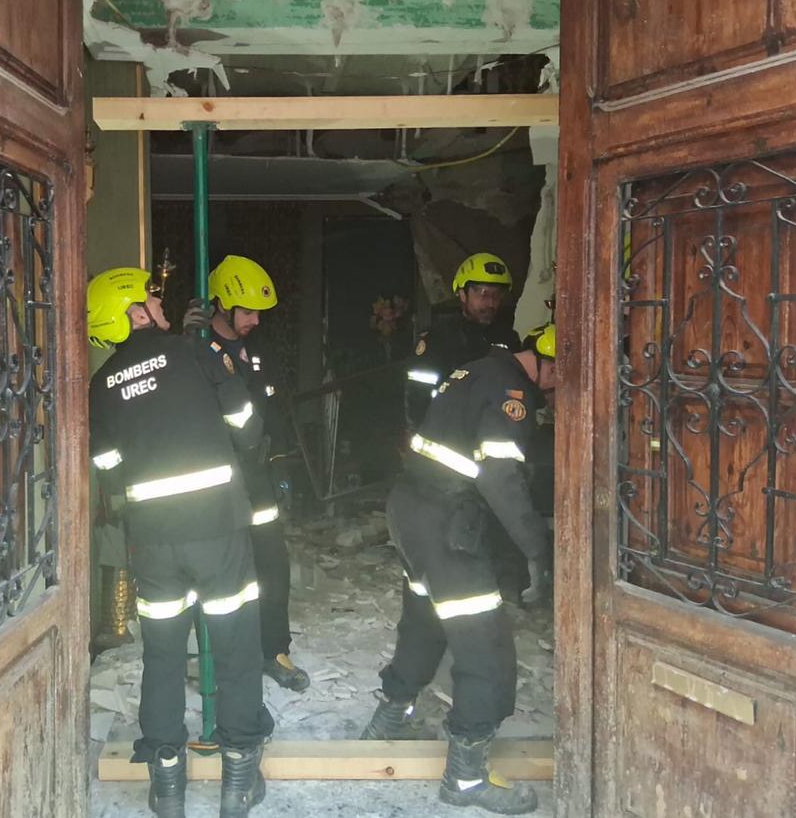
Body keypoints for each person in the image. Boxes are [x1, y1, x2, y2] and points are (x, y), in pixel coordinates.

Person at [87, 266, 273, 818]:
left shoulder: (101, 386)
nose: (158, 300)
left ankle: (167, 785)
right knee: (236, 646)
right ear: (133, 312)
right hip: (217, 528)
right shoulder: (192, 352)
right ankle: (238, 781)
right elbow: (247, 423)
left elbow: (109, 468)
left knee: (163, 655)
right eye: (149, 296)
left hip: (154, 540)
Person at [361, 324, 558, 815]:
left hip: (412, 511)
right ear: (550, 364)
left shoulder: (479, 369)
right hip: (448, 526)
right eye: (561, 381)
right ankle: (466, 777)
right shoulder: (510, 391)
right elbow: (500, 477)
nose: (557, 393)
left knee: (426, 619)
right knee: (485, 646)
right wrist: (538, 548)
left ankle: (392, 713)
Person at [185, 255, 312, 693]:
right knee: (219, 576)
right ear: (220, 305)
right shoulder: (195, 353)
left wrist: (280, 460)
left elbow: (274, 408)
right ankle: (215, 660)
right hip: (215, 483)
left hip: (257, 481)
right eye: (247, 312)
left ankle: (273, 649)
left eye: (260, 312)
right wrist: (182, 342)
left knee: (273, 566)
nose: (256, 321)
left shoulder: (260, 350)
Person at [405, 252, 521, 432]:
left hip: (492, 433)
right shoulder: (439, 338)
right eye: (483, 294)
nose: (490, 303)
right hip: (445, 434)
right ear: (462, 294)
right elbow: (418, 396)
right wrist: (419, 431)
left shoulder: (508, 338)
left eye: (496, 296)